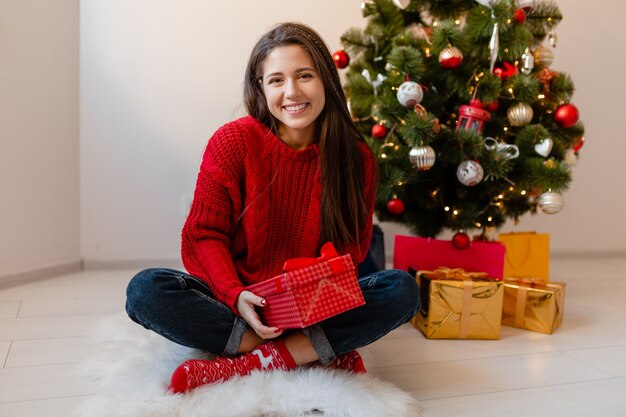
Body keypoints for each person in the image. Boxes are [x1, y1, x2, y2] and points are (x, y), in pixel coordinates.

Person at [125, 22, 420, 394]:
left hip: (314, 305)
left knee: (402, 290)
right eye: (277, 80)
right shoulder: (232, 142)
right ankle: (305, 351)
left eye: (304, 75)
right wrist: (235, 293)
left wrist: (307, 297)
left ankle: (253, 360)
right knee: (145, 291)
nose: (292, 91)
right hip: (238, 304)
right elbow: (204, 234)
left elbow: (352, 249)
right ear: (261, 89)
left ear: (326, 80)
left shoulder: (356, 158)